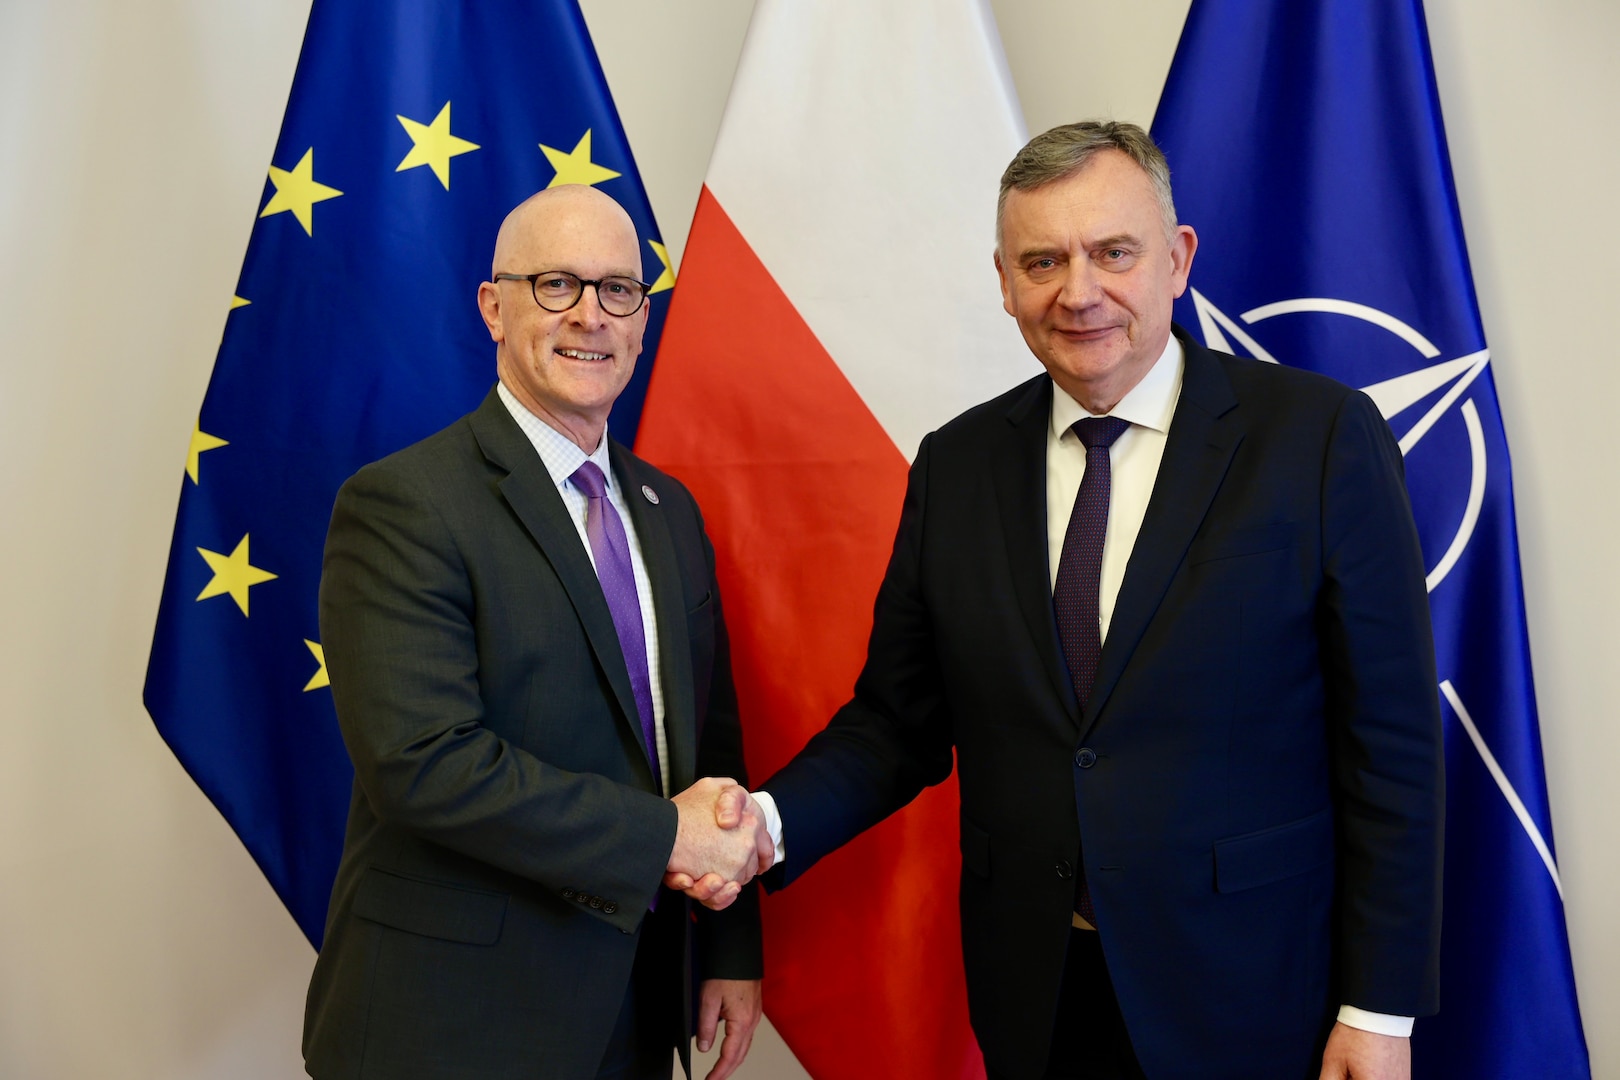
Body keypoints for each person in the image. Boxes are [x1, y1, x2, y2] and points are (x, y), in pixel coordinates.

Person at [673, 122, 1444, 1080]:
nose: (1078, 292)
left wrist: (1380, 1011)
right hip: (1039, 995)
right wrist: (762, 827)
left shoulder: (1317, 438)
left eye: (1112, 252)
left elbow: (1393, 750)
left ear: (1178, 259)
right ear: (1004, 281)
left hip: (1258, 996)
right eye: (1043, 260)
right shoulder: (957, 465)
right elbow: (895, 726)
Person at [303, 185, 769, 1080]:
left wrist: (727, 945)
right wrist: (662, 839)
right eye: (556, 284)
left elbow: (708, 749)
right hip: (453, 1021)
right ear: (493, 306)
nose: (590, 315)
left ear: (641, 318)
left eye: (618, 291)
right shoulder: (405, 504)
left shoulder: (669, 512)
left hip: (634, 1008)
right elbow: (424, 763)